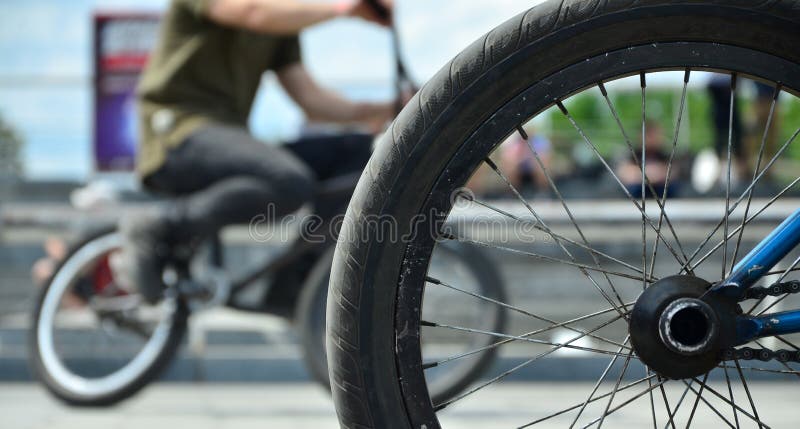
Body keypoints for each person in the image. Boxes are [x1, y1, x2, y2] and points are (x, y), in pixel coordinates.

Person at [116, 0, 401, 304]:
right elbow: (252, 12)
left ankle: (293, 289)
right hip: (177, 132)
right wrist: (345, 8)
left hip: (232, 137)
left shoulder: (280, 20)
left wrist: (388, 109)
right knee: (287, 180)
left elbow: (309, 99)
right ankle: (160, 224)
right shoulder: (264, 13)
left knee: (358, 156)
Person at [616, 120, 679, 199]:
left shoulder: (665, 154)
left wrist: (643, 173)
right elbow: (624, 173)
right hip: (636, 195)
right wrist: (652, 173)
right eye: (651, 135)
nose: (657, 138)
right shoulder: (631, 154)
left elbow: (673, 173)